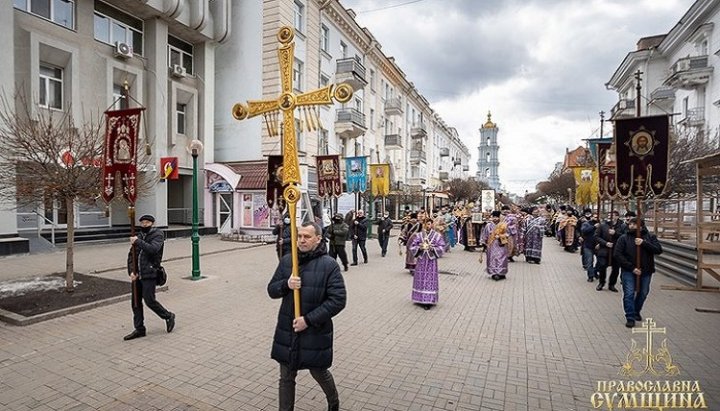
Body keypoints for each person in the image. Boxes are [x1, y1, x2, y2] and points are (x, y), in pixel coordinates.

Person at [267, 222, 347, 411]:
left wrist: (308, 320)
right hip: (289, 329)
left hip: (314, 331)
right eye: (299, 236)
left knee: (318, 371)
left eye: (307, 237)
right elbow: (271, 290)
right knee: (286, 376)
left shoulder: (329, 265)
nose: (301, 240)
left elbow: (338, 300)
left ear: (318, 239)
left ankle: (333, 401)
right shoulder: (288, 261)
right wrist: (286, 285)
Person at [124, 214, 175, 341]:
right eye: (142, 223)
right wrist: (131, 271)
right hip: (137, 274)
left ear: (152, 223)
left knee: (149, 300)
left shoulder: (157, 235)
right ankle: (139, 329)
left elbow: (153, 249)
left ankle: (168, 316)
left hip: (150, 272)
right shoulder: (139, 235)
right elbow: (131, 256)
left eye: (147, 222)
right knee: (135, 302)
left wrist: (137, 241)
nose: (144, 225)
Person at [613, 217, 662, 328]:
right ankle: (630, 316)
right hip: (629, 271)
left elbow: (658, 250)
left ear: (641, 226)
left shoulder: (650, 237)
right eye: (630, 224)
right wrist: (631, 268)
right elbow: (618, 254)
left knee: (643, 292)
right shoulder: (623, 238)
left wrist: (644, 243)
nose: (631, 226)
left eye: (634, 224)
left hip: (646, 270)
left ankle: (636, 310)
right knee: (629, 293)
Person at [409, 218, 446, 310]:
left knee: (429, 279)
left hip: (431, 261)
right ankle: (419, 298)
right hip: (421, 260)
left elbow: (442, 247)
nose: (428, 226)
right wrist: (420, 247)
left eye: (429, 224)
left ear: (432, 225)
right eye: (426, 224)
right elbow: (412, 246)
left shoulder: (437, 236)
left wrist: (432, 248)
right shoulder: (419, 235)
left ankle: (429, 299)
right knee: (420, 279)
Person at [594, 210, 626, 292]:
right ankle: (601, 282)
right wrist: (605, 243)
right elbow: (597, 236)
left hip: (616, 251)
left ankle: (612, 284)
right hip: (604, 250)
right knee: (602, 266)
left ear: (617, 217)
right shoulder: (603, 226)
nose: (610, 217)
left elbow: (625, 236)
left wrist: (615, 233)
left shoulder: (622, 226)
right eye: (609, 215)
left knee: (615, 269)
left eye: (612, 215)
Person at [479, 211, 511, 280]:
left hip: (501, 245)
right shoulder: (488, 225)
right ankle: (494, 273)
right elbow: (484, 235)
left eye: (497, 217)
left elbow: (508, 234)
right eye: (494, 217)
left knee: (501, 258)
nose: (495, 219)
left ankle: (501, 273)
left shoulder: (503, 225)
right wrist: (483, 243)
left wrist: (500, 236)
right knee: (492, 259)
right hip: (491, 245)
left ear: (499, 217)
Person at [580, 211, 599, 282]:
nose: (595, 218)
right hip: (588, 245)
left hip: (598, 245)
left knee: (601, 261)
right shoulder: (586, 224)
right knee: (589, 261)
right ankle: (590, 276)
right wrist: (594, 227)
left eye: (597, 217)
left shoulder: (601, 224)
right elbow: (584, 230)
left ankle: (595, 271)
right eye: (594, 217)